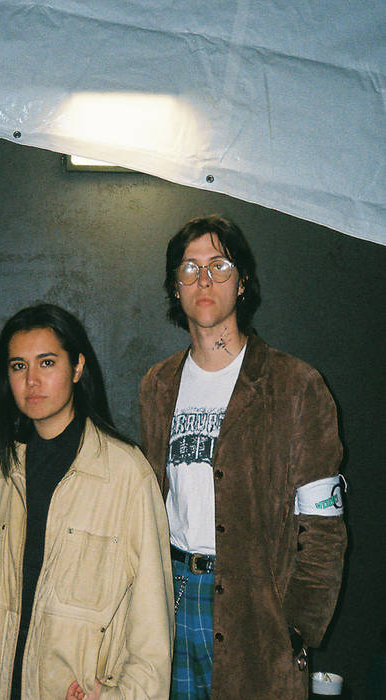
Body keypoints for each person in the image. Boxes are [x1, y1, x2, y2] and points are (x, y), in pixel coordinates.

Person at [139, 215, 347, 699]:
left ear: (243, 281)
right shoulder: (158, 385)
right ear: (174, 287)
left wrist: (297, 626)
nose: (204, 280)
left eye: (219, 265)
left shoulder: (295, 385)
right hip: (171, 597)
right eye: (189, 268)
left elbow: (323, 525)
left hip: (256, 611)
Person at [0, 303, 174, 700]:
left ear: (77, 367)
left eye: (47, 363)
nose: (31, 380)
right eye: (18, 366)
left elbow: (152, 622)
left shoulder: (126, 474)